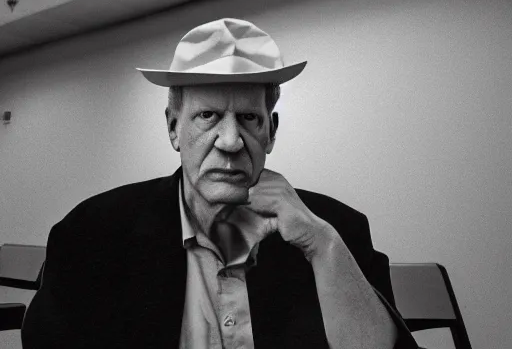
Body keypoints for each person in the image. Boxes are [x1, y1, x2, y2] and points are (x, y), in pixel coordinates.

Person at [21, 18, 418, 349]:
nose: (230, 142)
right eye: (208, 115)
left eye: (249, 118)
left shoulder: (336, 229)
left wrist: (321, 246)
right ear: (174, 128)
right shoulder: (93, 232)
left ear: (271, 132)